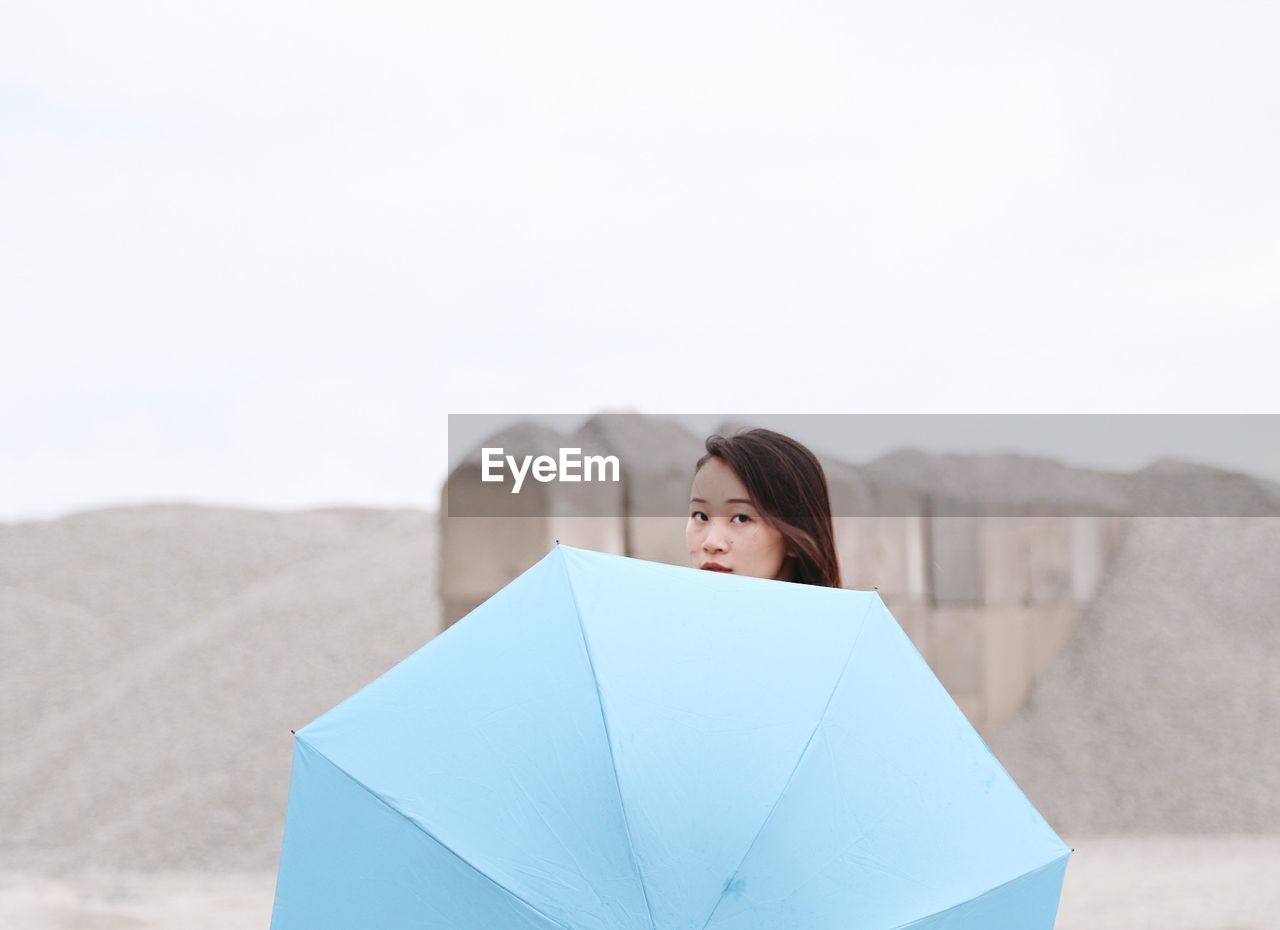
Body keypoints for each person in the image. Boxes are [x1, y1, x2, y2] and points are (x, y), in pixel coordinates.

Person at [687, 428, 842, 587]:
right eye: (701, 516)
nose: (711, 543)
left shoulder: (846, 611)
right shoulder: (668, 608)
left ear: (796, 535)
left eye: (741, 518)